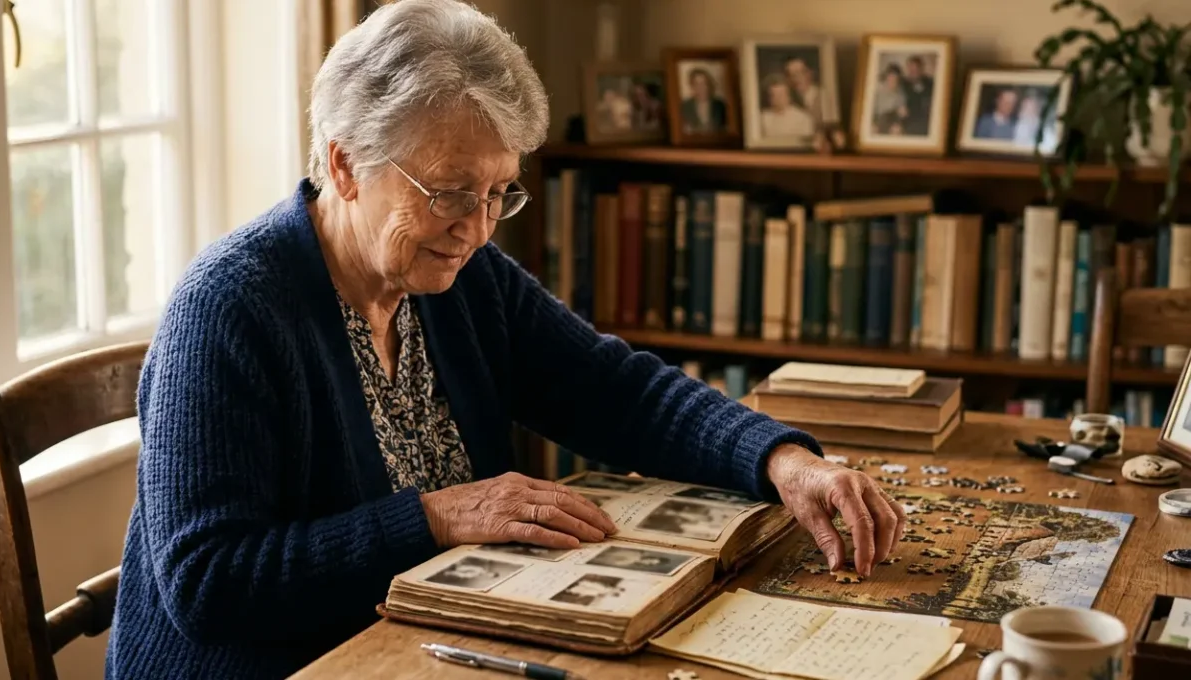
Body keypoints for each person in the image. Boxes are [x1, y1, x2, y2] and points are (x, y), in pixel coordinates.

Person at [104, 1, 905, 678]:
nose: (477, 228)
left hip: (428, 649)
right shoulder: (229, 310)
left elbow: (611, 388)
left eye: (499, 192)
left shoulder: (458, 275)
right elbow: (208, 583)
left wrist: (783, 460)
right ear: (346, 166)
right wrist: (436, 518)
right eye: (450, 192)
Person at [760, 75, 816, 139]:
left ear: (789, 96)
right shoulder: (763, 118)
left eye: (780, 94)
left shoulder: (803, 118)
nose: (777, 98)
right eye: (773, 95)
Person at [680, 66, 728, 134]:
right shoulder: (685, 106)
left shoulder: (720, 105)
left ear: (709, 85)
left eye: (704, 83)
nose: (701, 87)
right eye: (697, 84)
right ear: (692, 87)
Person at [902, 55, 935, 135]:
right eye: (911, 69)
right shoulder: (903, 84)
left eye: (916, 69)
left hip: (926, 120)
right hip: (908, 121)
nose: (913, 72)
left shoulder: (930, 83)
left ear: (921, 69)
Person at [784, 56, 823, 122]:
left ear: (809, 73)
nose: (796, 79)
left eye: (800, 73)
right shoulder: (789, 101)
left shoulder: (823, 97)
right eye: (791, 75)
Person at [872, 64, 908, 135]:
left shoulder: (900, 93)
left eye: (896, 78)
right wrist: (873, 123)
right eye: (891, 76)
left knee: (897, 131)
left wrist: (902, 115)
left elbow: (901, 113)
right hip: (877, 120)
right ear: (886, 76)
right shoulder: (877, 90)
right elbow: (871, 110)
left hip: (892, 120)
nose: (893, 80)